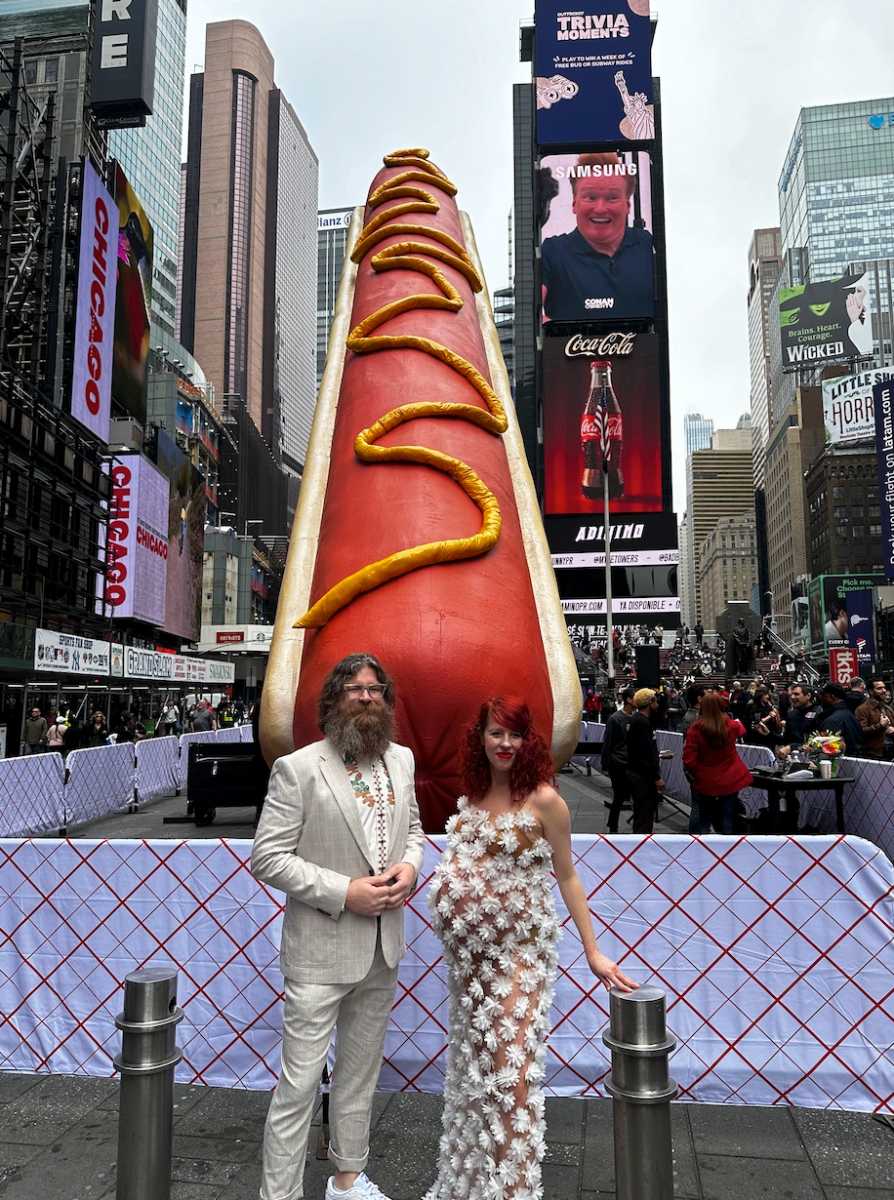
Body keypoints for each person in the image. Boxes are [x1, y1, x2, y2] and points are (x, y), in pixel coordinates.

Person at [425, 695, 637, 1200]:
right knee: (477, 1070)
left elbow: (567, 876)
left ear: (529, 740)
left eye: (515, 734)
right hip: (470, 963)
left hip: (521, 955)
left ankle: (515, 1190)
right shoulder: (473, 795)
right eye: (496, 733)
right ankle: (478, 1186)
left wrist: (593, 951)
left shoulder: (545, 801)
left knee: (512, 1074)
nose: (505, 743)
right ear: (480, 737)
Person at [251, 653, 426, 1200]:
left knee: (359, 1073)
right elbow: (267, 857)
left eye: (376, 689)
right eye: (355, 688)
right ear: (333, 700)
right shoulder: (299, 768)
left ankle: (347, 1181)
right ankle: (279, 1195)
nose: (367, 697)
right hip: (320, 952)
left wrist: (410, 868)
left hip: (382, 948)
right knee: (298, 1086)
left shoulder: (401, 760)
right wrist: (343, 892)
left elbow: (415, 830)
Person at [540, 151, 655, 323]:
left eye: (612, 198)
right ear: (574, 204)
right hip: (574, 342)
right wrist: (557, 332)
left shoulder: (647, 246)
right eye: (591, 197)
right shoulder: (552, 252)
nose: (600, 208)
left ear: (627, 206)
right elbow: (527, 310)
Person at [682, 695, 751, 834]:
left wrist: (695, 776)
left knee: (702, 819)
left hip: (705, 781)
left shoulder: (695, 729)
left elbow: (689, 759)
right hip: (730, 779)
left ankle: (699, 845)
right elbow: (742, 730)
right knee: (727, 818)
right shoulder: (731, 725)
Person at [625, 688, 665, 834]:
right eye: (655, 701)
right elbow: (646, 753)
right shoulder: (642, 723)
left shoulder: (636, 719)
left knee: (642, 814)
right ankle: (642, 842)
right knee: (644, 815)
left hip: (637, 773)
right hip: (643, 777)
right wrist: (657, 777)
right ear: (650, 703)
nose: (657, 705)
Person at [600, 685, 636, 833]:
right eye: (635, 697)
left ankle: (637, 827)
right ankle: (613, 826)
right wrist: (605, 764)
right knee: (619, 797)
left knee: (635, 796)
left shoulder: (636, 718)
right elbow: (608, 742)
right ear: (629, 700)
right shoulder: (615, 719)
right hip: (617, 764)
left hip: (632, 763)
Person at [815, 682, 862, 757]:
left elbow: (828, 750)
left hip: (839, 760)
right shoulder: (850, 714)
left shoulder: (832, 720)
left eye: (824, 696)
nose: (822, 699)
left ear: (832, 696)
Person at [855, 678, 894, 760]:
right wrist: (880, 725)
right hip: (873, 755)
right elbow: (860, 732)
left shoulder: (887, 707)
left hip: (890, 752)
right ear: (871, 691)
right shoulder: (862, 709)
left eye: (884, 687)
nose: (884, 690)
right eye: (879, 688)